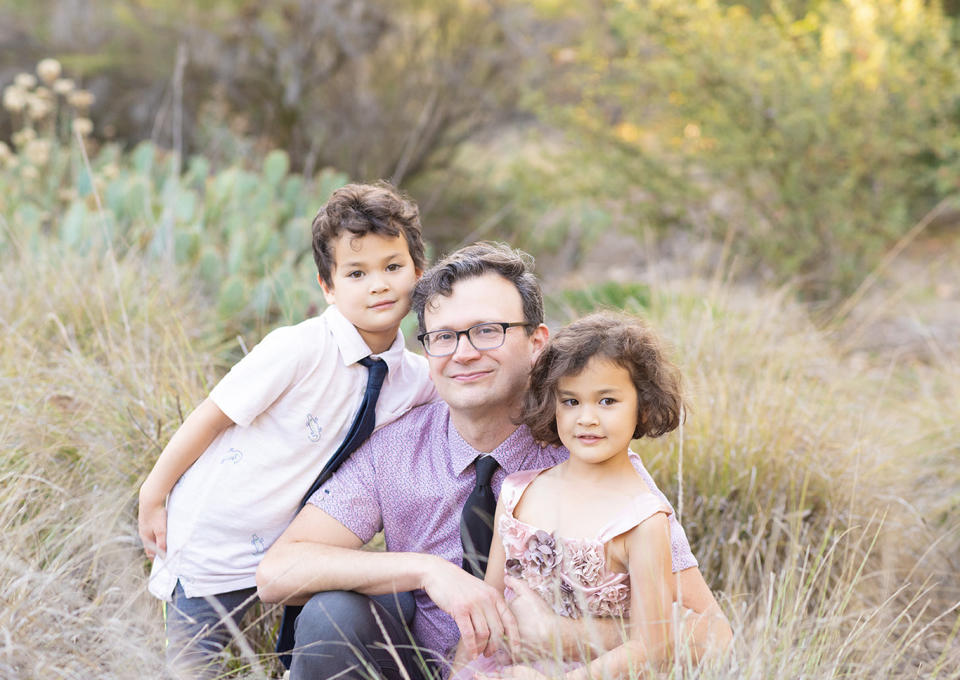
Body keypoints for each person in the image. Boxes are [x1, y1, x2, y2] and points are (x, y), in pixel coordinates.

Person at [257, 242, 730, 679]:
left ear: (537, 341)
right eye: (443, 337)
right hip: (419, 665)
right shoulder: (396, 449)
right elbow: (278, 572)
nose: (463, 353)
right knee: (332, 613)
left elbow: (714, 635)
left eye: (487, 331)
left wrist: (567, 637)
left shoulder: (585, 454)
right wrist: (428, 570)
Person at [137, 182, 437, 677]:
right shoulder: (297, 349)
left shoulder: (415, 378)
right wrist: (154, 491)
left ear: (418, 273)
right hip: (216, 536)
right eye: (356, 273)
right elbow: (212, 415)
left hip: (301, 550)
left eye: (392, 267)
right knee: (195, 667)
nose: (378, 284)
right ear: (328, 286)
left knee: (295, 658)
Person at [451, 313, 731, 679]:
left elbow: (652, 647)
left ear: (643, 405)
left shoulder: (643, 521)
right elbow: (487, 606)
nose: (586, 418)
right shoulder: (518, 491)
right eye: (570, 402)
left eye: (607, 401)